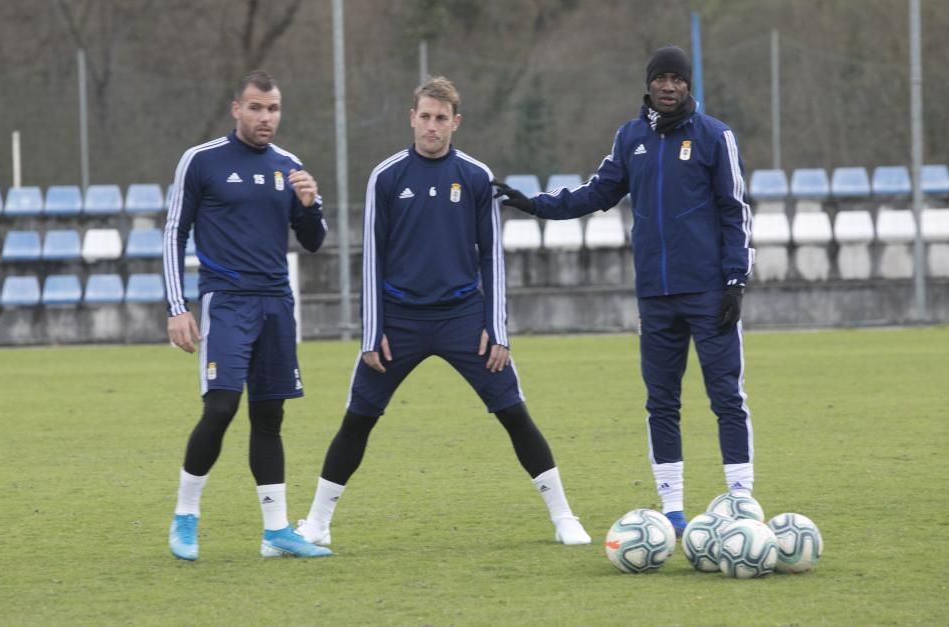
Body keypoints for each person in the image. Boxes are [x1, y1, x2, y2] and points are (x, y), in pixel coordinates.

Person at [295, 76, 591, 547]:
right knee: (358, 418)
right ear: (412, 118)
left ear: (456, 122)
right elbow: (371, 257)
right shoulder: (386, 176)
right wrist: (372, 331)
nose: (432, 127)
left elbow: (491, 256)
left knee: (513, 412)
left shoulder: (475, 176)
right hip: (399, 322)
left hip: (463, 321)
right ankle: (316, 522)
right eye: (425, 117)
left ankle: (564, 517)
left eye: (441, 119)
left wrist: (496, 330)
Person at [495, 45, 755, 538]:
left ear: (688, 84)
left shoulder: (715, 136)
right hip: (654, 297)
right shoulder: (630, 137)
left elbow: (734, 210)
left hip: (708, 293)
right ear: (649, 83)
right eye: (661, 78)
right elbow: (596, 192)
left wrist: (735, 280)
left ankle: (741, 501)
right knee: (661, 401)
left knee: (726, 395)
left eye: (677, 78)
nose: (669, 86)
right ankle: (673, 508)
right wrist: (534, 204)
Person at [163, 69, 332, 560]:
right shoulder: (202, 161)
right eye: (256, 108)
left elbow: (315, 240)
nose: (266, 118)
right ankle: (185, 517)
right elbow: (174, 232)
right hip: (227, 302)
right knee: (220, 406)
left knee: (269, 414)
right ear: (236, 108)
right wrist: (178, 308)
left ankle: (276, 530)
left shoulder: (289, 166)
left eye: (273, 109)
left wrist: (310, 203)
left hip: (276, 304)